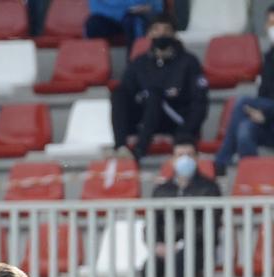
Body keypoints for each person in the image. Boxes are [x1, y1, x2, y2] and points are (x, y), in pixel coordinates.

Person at [138, 141, 220, 277]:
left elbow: (210, 226)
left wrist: (181, 245)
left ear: (197, 158)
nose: (184, 159)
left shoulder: (209, 188)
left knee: (180, 261)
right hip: (167, 249)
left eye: (189, 155)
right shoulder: (162, 190)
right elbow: (150, 224)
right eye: (179, 155)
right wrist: (156, 244)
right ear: (172, 160)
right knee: (149, 266)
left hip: (199, 249)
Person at [111, 14, 208, 161]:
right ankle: (120, 148)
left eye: (166, 30)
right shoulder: (140, 62)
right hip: (145, 120)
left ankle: (138, 152)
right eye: (156, 30)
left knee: (154, 94)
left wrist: (186, 132)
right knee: (119, 93)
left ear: (174, 35)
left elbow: (200, 102)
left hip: (175, 122)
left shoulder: (189, 62)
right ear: (149, 34)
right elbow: (127, 92)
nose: (161, 34)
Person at [214, 5, 274, 176]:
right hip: (269, 120)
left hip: (270, 115)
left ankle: (221, 160)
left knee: (242, 102)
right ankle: (251, 178)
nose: (272, 27)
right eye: (270, 23)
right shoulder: (270, 56)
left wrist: (266, 113)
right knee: (244, 129)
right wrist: (260, 113)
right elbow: (264, 94)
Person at [84, 0, 162, 49]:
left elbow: (157, 5)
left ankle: (134, 67)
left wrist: (150, 6)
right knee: (93, 24)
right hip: (110, 16)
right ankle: (93, 67)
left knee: (133, 22)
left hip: (138, 16)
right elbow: (95, 8)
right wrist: (126, 10)